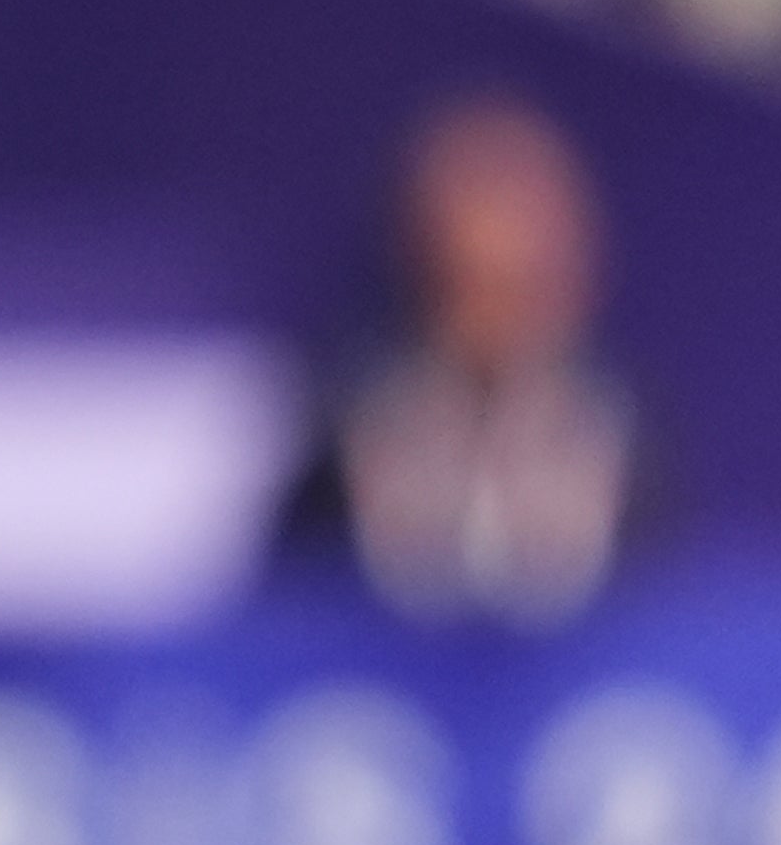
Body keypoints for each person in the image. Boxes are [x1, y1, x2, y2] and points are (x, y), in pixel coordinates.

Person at [270, 96, 648, 623]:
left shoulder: (625, 429)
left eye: (528, 286)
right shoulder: (348, 426)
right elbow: (282, 602)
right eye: (483, 289)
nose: (508, 320)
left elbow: (665, 600)